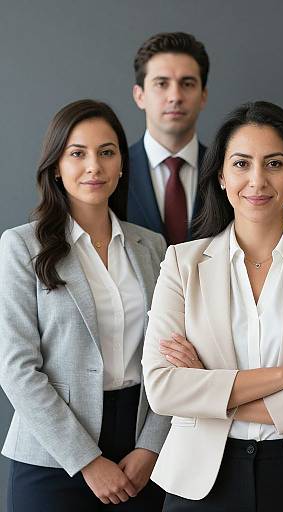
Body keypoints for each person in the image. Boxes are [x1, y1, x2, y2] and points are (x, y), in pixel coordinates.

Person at [142, 101, 283, 511]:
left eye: (274, 164)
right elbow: (163, 388)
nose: (258, 180)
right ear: (221, 176)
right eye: (242, 163)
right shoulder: (181, 262)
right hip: (201, 479)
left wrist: (214, 394)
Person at [0, 99, 171, 510]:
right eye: (77, 153)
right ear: (56, 166)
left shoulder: (152, 247)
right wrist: (87, 460)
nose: (94, 166)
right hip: (53, 455)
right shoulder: (21, 246)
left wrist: (151, 447)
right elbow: (17, 368)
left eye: (107, 152)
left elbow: (175, 356)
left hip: (139, 451)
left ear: (122, 165)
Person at [128, 32, 209, 244]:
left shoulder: (225, 169)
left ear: (203, 96)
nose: (175, 96)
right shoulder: (114, 172)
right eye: (162, 83)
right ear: (140, 95)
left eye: (188, 83)